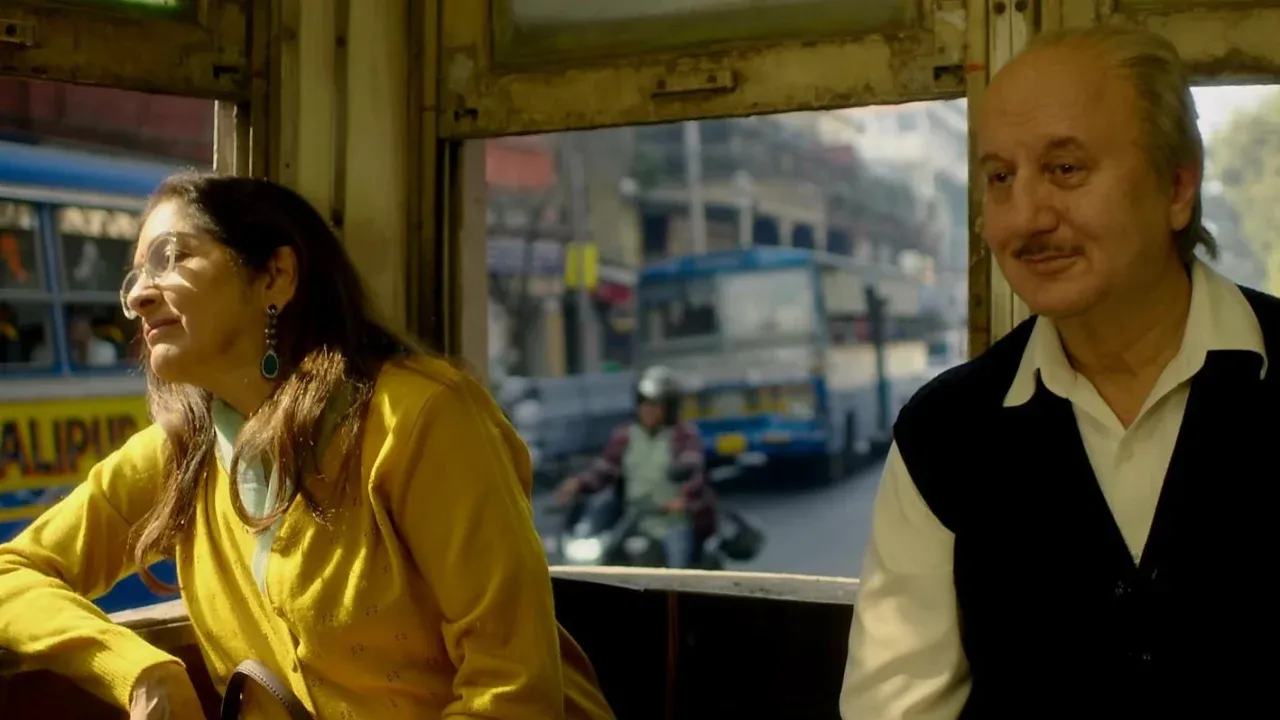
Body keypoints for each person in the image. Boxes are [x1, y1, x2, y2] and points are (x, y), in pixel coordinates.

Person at [0, 172, 615, 720]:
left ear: (276, 275)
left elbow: (513, 689)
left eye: (173, 257)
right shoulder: (179, 455)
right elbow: (11, 573)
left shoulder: (418, 419)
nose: (139, 295)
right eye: (136, 276)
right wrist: (140, 670)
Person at [842, 25, 1280, 718]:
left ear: (1177, 185)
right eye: (1000, 178)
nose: (1026, 218)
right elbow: (896, 705)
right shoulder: (944, 435)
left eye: (1066, 168)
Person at [555, 366, 716, 568]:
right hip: (633, 517)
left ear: (669, 407)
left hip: (670, 520)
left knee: (678, 571)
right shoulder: (625, 435)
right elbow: (605, 469)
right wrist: (578, 483)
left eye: (655, 405)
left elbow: (693, 471)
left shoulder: (684, 436)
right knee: (601, 558)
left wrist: (683, 499)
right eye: (644, 403)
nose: (648, 410)